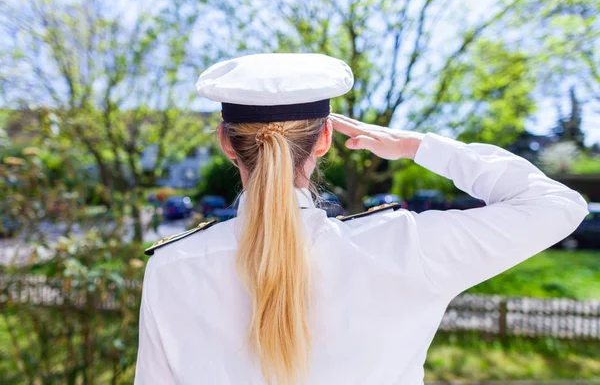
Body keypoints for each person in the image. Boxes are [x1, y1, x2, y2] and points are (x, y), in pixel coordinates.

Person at [134, 53, 588, 385]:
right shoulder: (405, 247)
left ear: (226, 143)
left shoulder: (172, 269)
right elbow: (557, 206)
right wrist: (418, 146)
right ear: (325, 139)